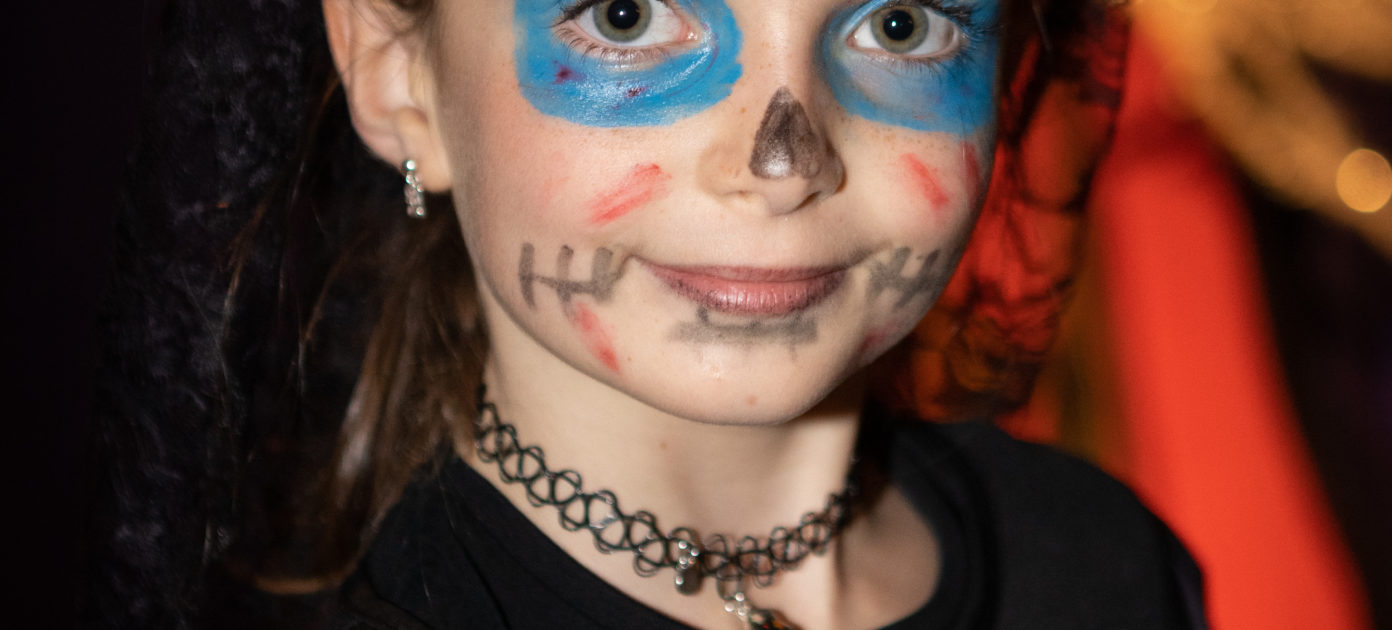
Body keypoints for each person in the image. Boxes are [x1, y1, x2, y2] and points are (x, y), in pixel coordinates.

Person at [91, 0, 1205, 628]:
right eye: (627, 17)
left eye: (901, 25)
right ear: (398, 74)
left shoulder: (1102, 567)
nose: (783, 163)